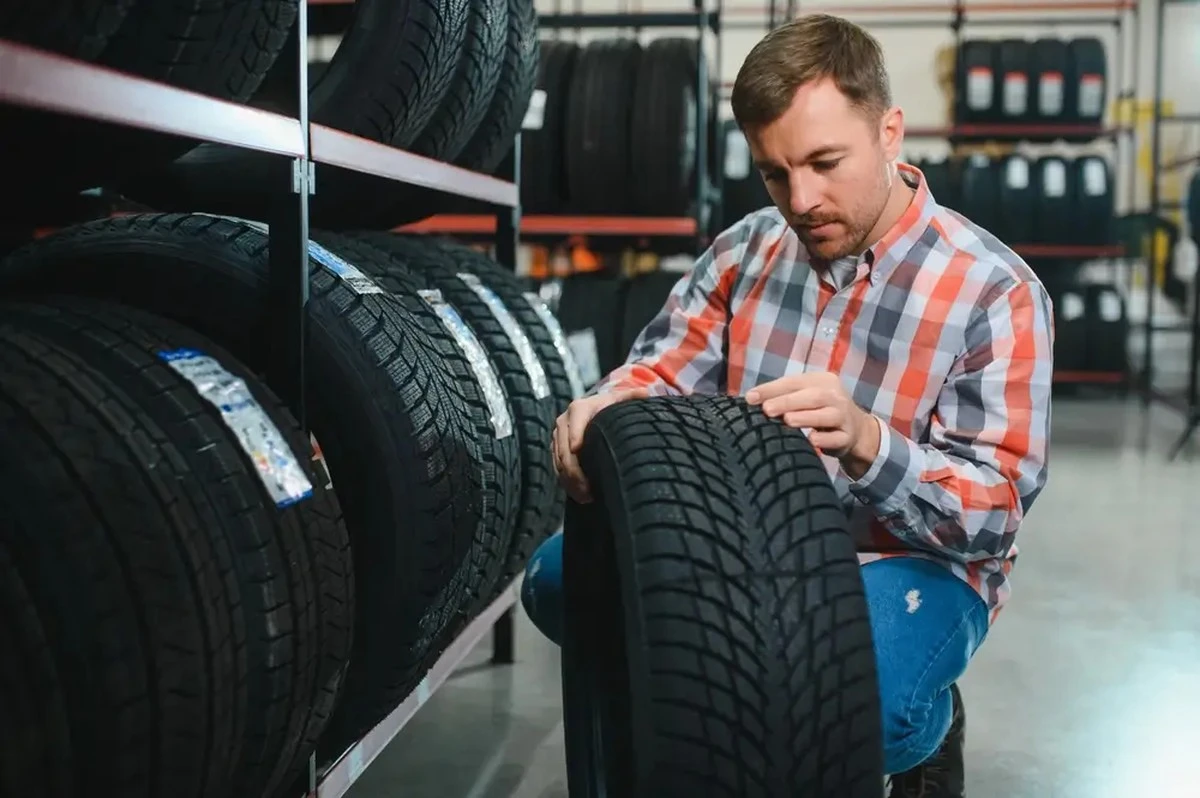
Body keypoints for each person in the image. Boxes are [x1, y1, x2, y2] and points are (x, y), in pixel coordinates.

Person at [523, 13, 1054, 798]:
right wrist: (601, 411)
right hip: (747, 543)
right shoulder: (744, 252)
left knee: (866, 705)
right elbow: (654, 375)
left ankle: (927, 719)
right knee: (560, 580)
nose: (801, 200)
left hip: (910, 558)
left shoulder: (994, 293)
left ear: (890, 132)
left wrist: (870, 443)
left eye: (824, 162)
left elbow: (994, 514)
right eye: (775, 173)